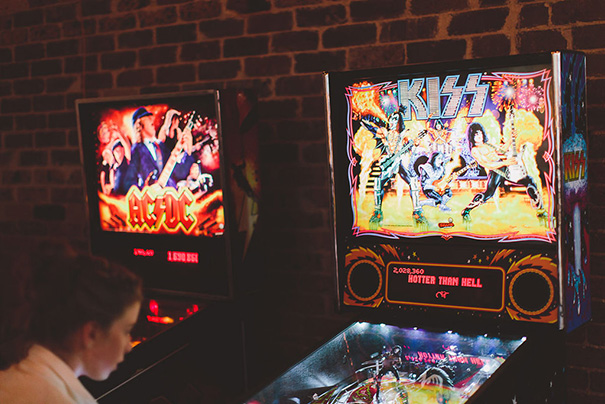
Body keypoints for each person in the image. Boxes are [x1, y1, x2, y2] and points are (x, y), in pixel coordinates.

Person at [0, 244, 143, 404]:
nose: (129, 346)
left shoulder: (14, 377)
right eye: (126, 331)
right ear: (92, 333)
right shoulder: (61, 399)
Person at [461, 121, 545, 221]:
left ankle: (540, 210)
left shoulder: (488, 144)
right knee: (488, 193)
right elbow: (488, 164)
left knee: (529, 181)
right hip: (496, 171)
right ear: (472, 137)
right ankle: (466, 211)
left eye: (480, 133)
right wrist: (505, 163)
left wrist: (511, 138)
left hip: (504, 168)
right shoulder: (475, 150)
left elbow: (502, 149)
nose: (479, 136)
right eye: (476, 134)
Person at [124, 106, 194, 190]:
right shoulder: (137, 149)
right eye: (147, 118)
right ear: (139, 125)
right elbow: (129, 181)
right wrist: (145, 191)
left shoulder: (161, 146)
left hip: (170, 194)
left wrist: (188, 149)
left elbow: (180, 172)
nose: (151, 119)